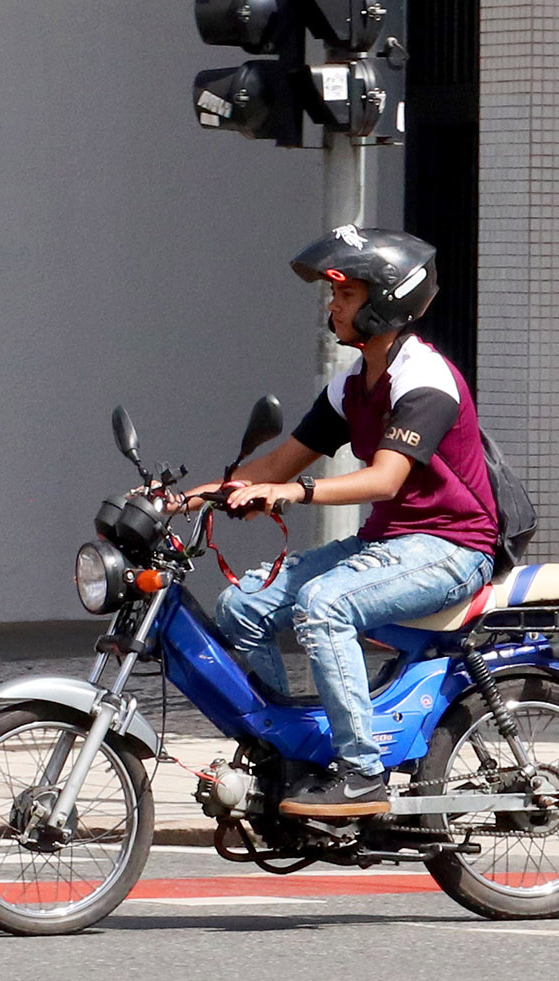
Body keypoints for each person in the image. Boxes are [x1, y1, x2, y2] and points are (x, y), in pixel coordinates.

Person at [183, 225, 499, 818]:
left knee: (325, 604)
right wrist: (185, 500)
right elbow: (279, 462)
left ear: (386, 301)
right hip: (391, 545)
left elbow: (384, 479)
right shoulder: (352, 384)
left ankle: (361, 775)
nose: (334, 307)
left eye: (346, 296)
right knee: (242, 605)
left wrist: (294, 493)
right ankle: (289, 755)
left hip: (451, 548)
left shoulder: (424, 379)